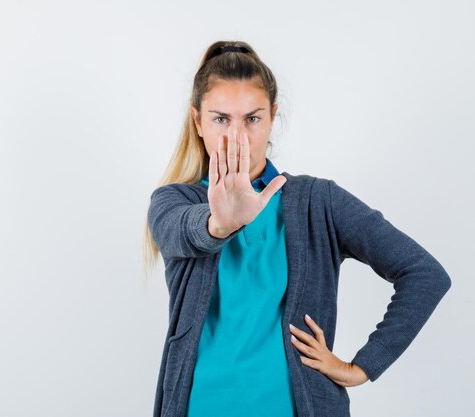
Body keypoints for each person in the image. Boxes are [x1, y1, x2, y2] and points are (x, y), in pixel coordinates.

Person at [143, 41, 452, 417]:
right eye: (221, 119)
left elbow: (424, 274)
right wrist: (219, 223)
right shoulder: (173, 202)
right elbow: (181, 231)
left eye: (252, 119)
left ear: (273, 117)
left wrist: (362, 367)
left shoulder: (318, 201)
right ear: (198, 122)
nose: (237, 136)